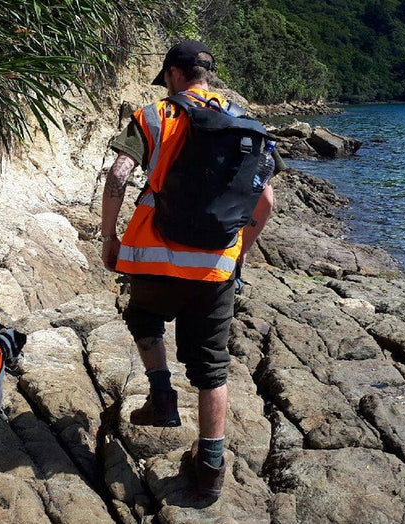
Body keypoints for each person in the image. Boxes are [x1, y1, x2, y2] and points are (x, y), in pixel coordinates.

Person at [99, 40, 275, 501]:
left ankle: (161, 397)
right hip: (215, 266)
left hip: (151, 256)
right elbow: (267, 201)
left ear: (174, 74)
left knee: (142, 317)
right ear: (207, 75)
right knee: (212, 366)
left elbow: (118, 175)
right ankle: (212, 467)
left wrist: (109, 237)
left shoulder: (157, 115)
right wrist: (240, 252)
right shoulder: (241, 119)